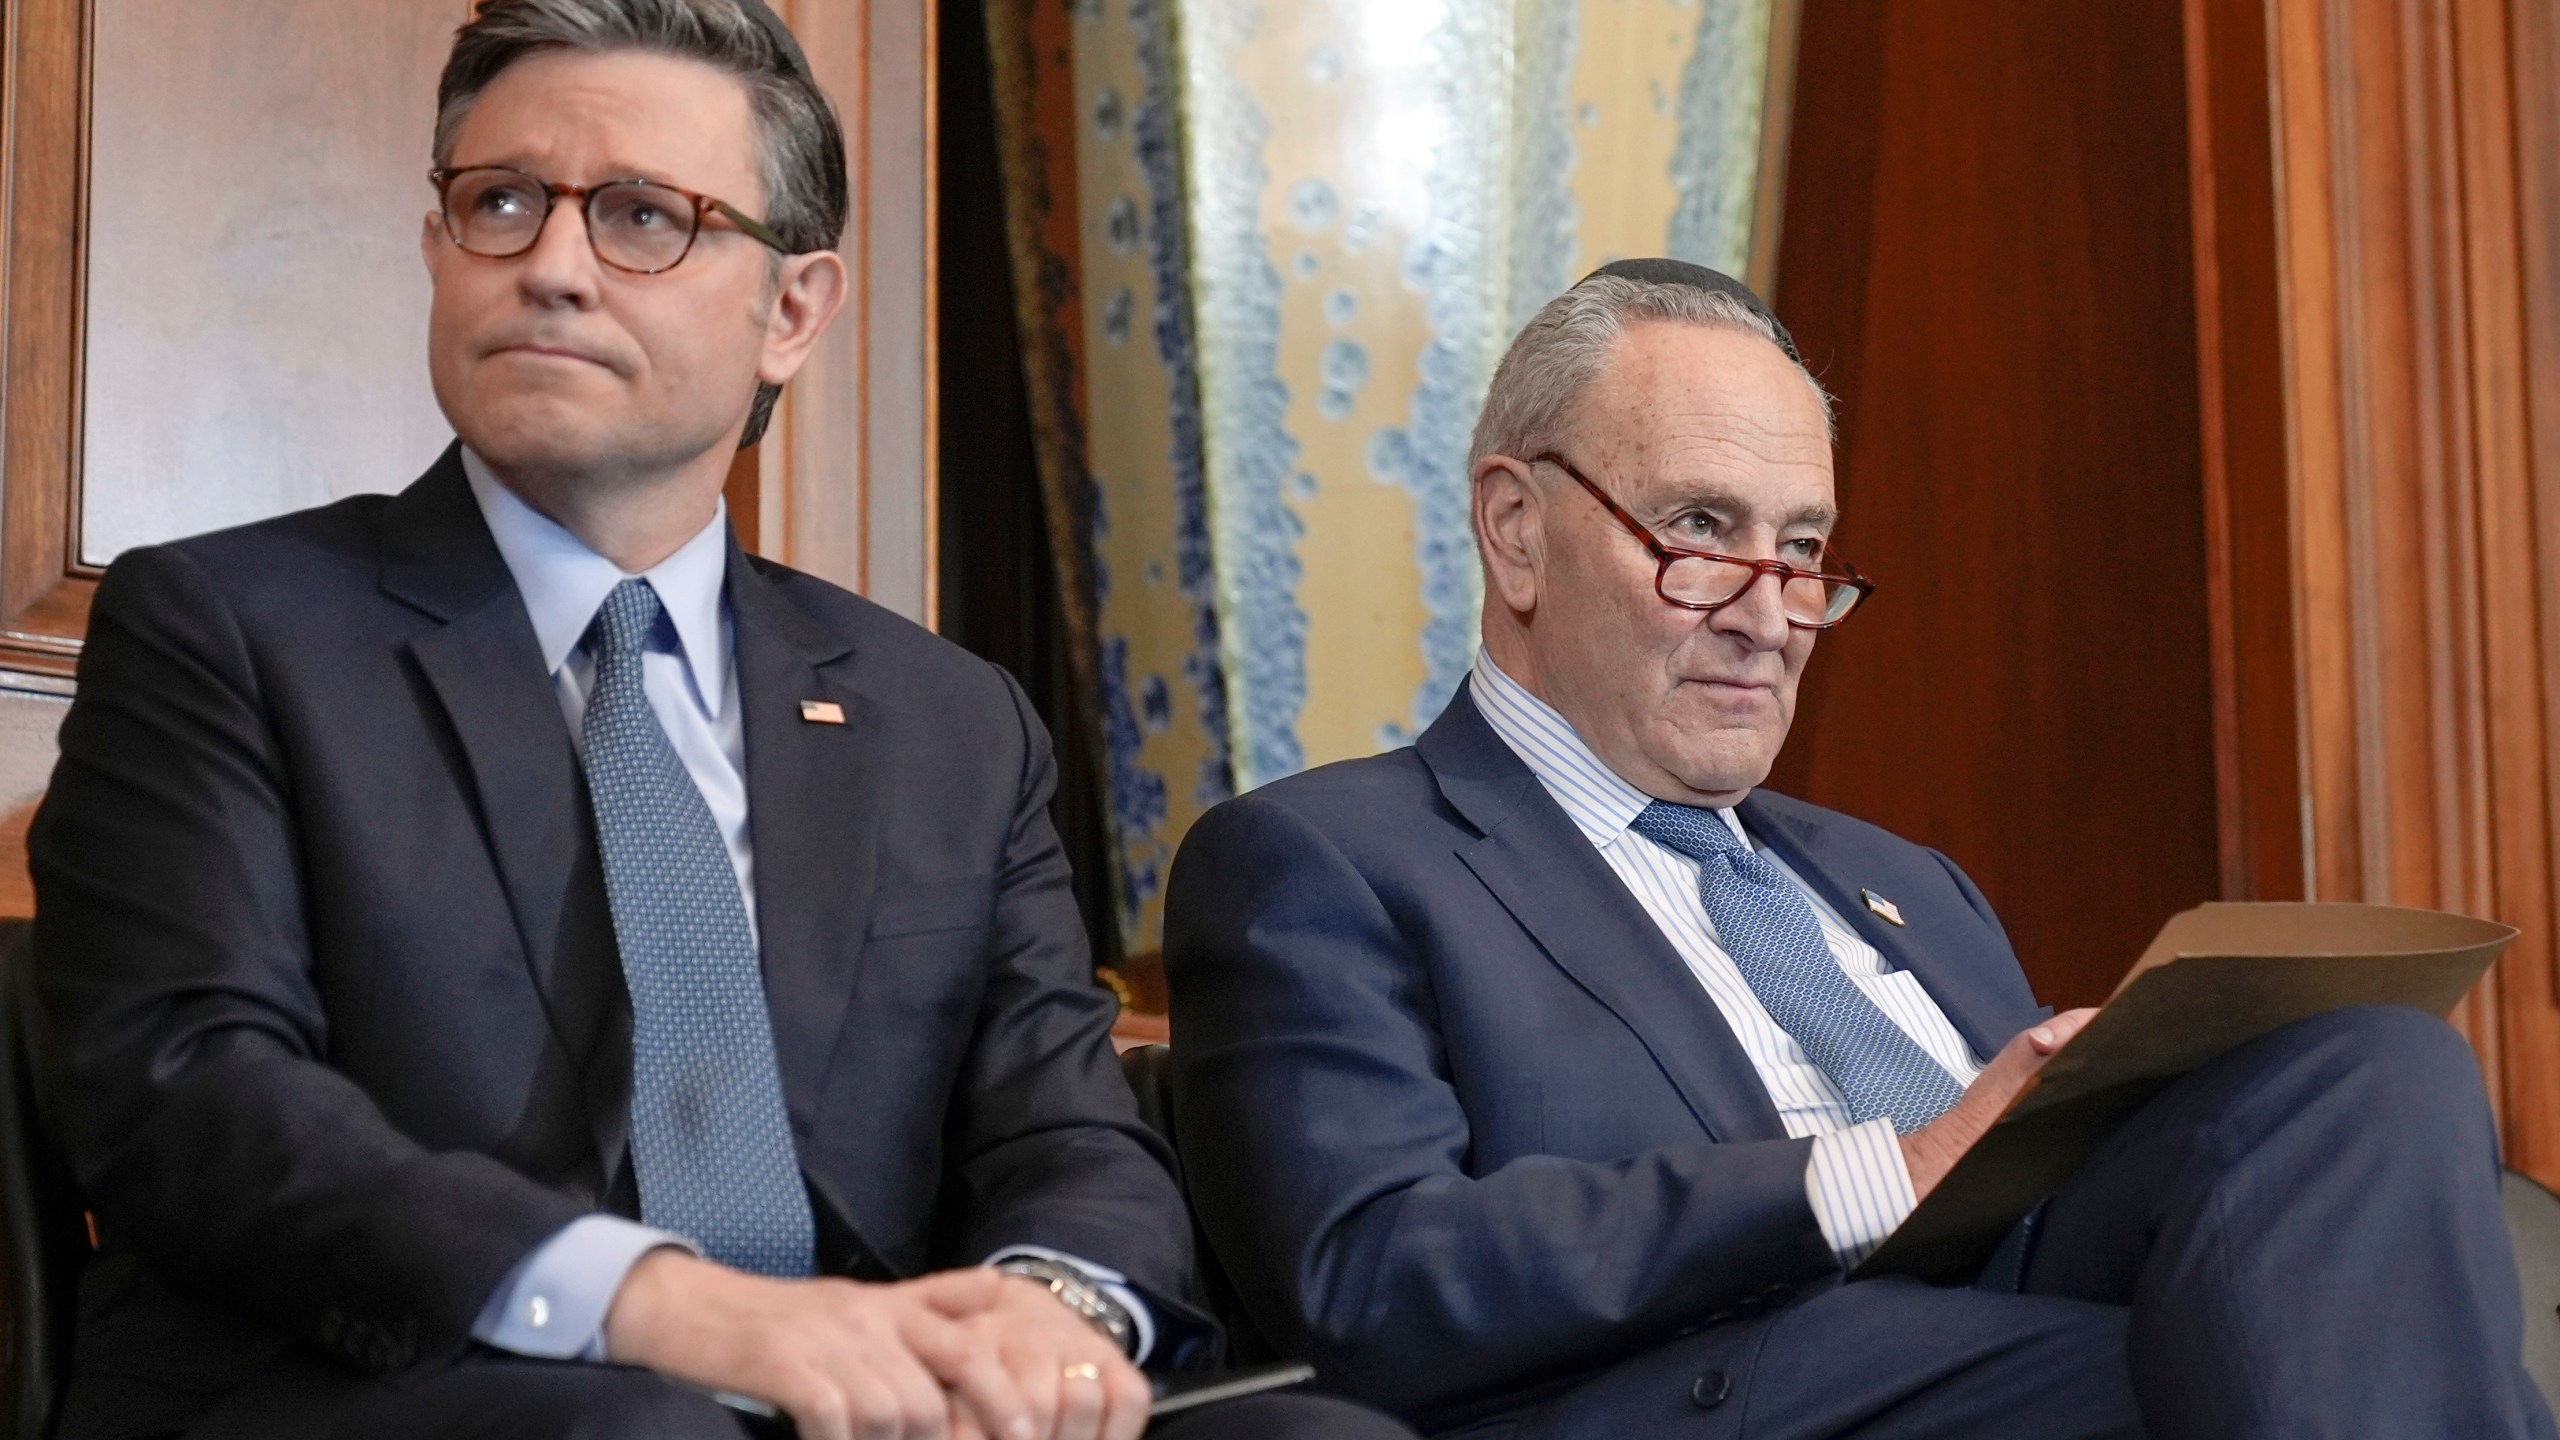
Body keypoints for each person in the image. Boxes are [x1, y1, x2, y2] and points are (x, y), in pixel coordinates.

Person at [27, 4, 1413, 1439]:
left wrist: (1043, 1309)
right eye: (498, 203)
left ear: (796, 310)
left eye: (644, 218)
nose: (553, 267)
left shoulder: (949, 721)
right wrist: (667, 1303)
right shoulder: (229, 629)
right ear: (440, 249)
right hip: (401, 1391)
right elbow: (195, 1095)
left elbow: (1066, 1132)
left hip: (857, 1402)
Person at [1162, 259, 2558, 1439]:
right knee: (2281, 1378)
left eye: (1806, 549)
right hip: (1718, 1374)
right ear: (1518, 535)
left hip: (2003, 1318)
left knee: (2369, 1063)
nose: (1771, 616)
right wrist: (1881, 1169)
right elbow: (1375, 1274)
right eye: (1701, 532)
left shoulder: (1909, 880)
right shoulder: (1320, 861)